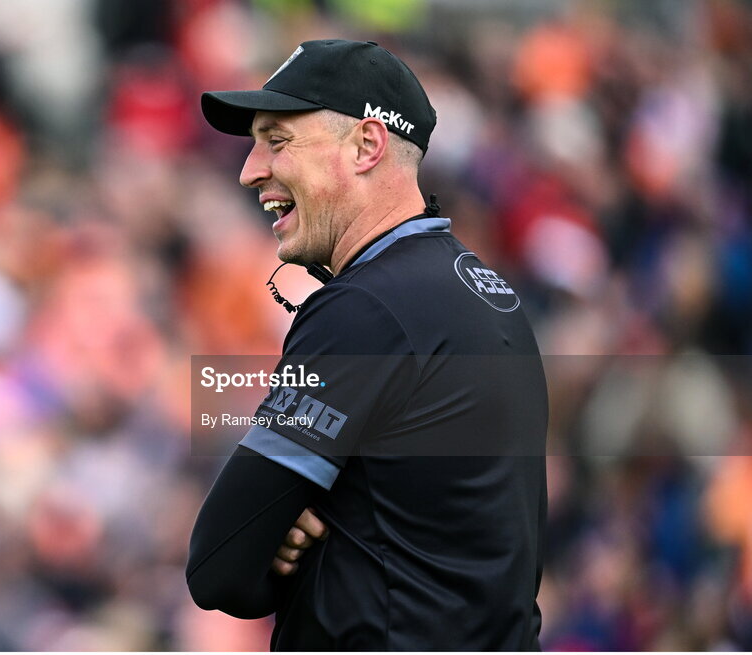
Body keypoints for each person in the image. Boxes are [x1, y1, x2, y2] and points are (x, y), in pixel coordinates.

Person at [186, 39, 548, 651]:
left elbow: (220, 566)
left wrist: (279, 534)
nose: (250, 170)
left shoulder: (365, 310)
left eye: (277, 141)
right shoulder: (484, 292)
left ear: (367, 146)